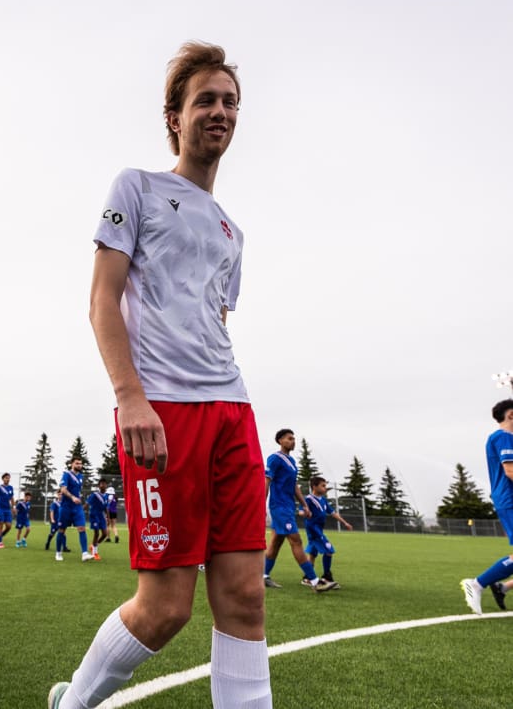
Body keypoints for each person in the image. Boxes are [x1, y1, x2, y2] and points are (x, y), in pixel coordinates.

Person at [49, 42, 271, 709]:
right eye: (206, 99)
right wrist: (129, 398)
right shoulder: (137, 187)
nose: (220, 111)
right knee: (166, 604)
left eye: (230, 101)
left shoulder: (233, 232)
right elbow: (101, 300)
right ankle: (74, 702)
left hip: (231, 409)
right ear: (174, 116)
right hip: (160, 412)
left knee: (245, 594)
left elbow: (214, 322)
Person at [264, 429, 336, 592]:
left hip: (288, 506)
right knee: (296, 540)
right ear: (280, 440)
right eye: (289, 438)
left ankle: (263, 576)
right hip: (279, 507)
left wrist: (304, 504)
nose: (293, 441)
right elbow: (267, 480)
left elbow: (294, 486)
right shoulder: (275, 458)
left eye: (294, 439)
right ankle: (315, 581)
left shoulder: (292, 462)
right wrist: (262, 504)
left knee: (276, 543)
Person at [460, 399, 513, 615]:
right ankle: (477, 584)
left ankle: (496, 586)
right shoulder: (503, 437)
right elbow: (509, 471)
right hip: (509, 500)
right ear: (511, 415)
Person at [303, 476, 352, 587]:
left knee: (312, 554)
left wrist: (344, 523)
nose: (325, 488)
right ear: (314, 487)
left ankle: (307, 577)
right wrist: (305, 513)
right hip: (313, 529)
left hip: (318, 529)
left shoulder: (323, 500)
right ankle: (326, 577)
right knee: (329, 550)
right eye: (323, 485)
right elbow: (302, 511)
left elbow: (333, 513)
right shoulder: (309, 499)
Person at [55, 458, 93, 563]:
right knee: (62, 530)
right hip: (66, 507)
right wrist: (72, 497)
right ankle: (58, 553)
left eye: (81, 463)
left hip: (77, 507)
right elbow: (63, 489)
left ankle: (84, 553)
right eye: (77, 463)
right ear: (72, 464)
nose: (79, 465)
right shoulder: (66, 474)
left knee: (82, 528)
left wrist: (78, 498)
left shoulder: (81, 476)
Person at [87, 479, 110, 560]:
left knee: (104, 534)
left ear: (106, 486)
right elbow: (87, 503)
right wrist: (80, 511)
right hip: (94, 515)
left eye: (104, 484)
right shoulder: (95, 495)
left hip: (101, 516)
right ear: (98, 486)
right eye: (101, 484)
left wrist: (108, 518)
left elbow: (106, 508)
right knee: (96, 533)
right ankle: (95, 553)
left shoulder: (106, 496)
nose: (103, 485)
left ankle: (93, 545)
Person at [0, 473, 15, 548]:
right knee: (0, 525)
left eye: (9, 478)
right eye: (6, 478)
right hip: (0, 509)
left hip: (7, 509)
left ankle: (0, 536)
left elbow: (12, 498)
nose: (7, 479)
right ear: (3, 479)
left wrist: (13, 507)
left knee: (9, 526)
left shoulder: (11, 488)